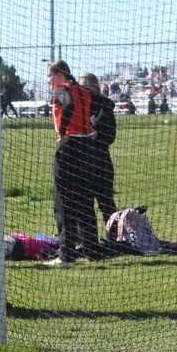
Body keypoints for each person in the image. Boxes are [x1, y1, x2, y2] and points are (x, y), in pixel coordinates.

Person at [45, 60, 100, 266]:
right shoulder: (84, 91)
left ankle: (65, 254)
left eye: (50, 76)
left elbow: (68, 103)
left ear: (59, 74)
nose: (49, 80)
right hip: (87, 147)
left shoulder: (62, 89)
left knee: (64, 201)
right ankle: (91, 249)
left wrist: (62, 131)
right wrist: (92, 129)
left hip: (69, 147)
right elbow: (106, 105)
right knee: (85, 200)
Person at [79, 73, 117, 225]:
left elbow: (110, 136)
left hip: (101, 161)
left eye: (86, 87)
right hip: (82, 161)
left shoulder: (105, 108)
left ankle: (115, 237)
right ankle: (87, 240)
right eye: (80, 88)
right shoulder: (79, 107)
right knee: (83, 204)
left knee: (106, 202)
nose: (84, 91)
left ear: (95, 87)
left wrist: (96, 135)